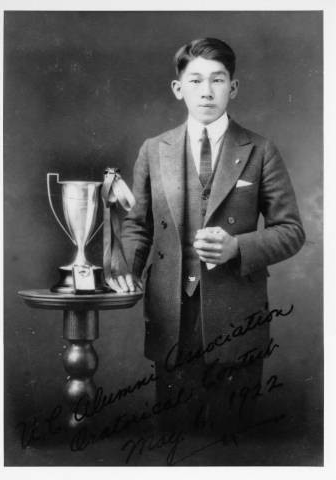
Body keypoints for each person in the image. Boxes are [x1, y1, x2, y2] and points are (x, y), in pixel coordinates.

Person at [107, 38, 305, 435]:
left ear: (233, 87)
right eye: (195, 80)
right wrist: (125, 267)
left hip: (237, 314)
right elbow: (137, 225)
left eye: (217, 80)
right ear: (178, 89)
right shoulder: (153, 150)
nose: (206, 90)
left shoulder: (261, 150)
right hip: (171, 314)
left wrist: (238, 247)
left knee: (233, 441)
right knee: (175, 438)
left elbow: (291, 231)